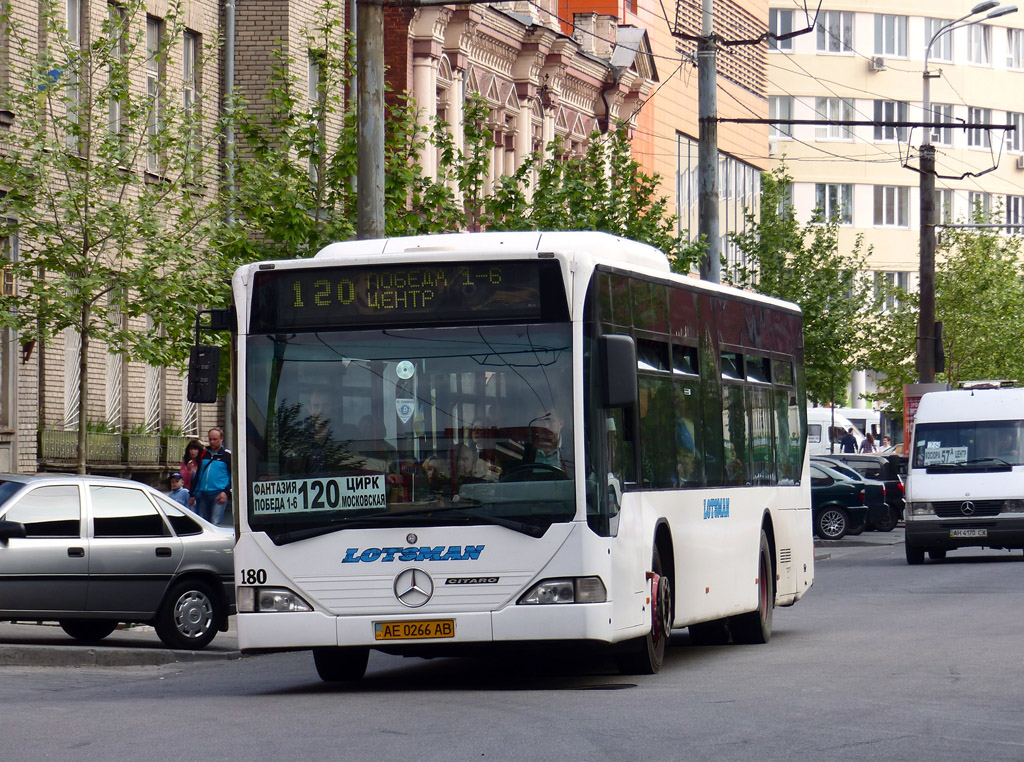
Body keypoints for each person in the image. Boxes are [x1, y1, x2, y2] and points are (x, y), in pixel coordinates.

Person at [190, 427, 232, 525]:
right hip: (203, 493)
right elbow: (197, 475)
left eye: (215, 439)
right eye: (210, 439)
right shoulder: (203, 454)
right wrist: (192, 494)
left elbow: (233, 477)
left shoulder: (227, 456)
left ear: (221, 439)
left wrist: (226, 492)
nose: (212, 442)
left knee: (215, 522)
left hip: (218, 494)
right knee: (204, 523)